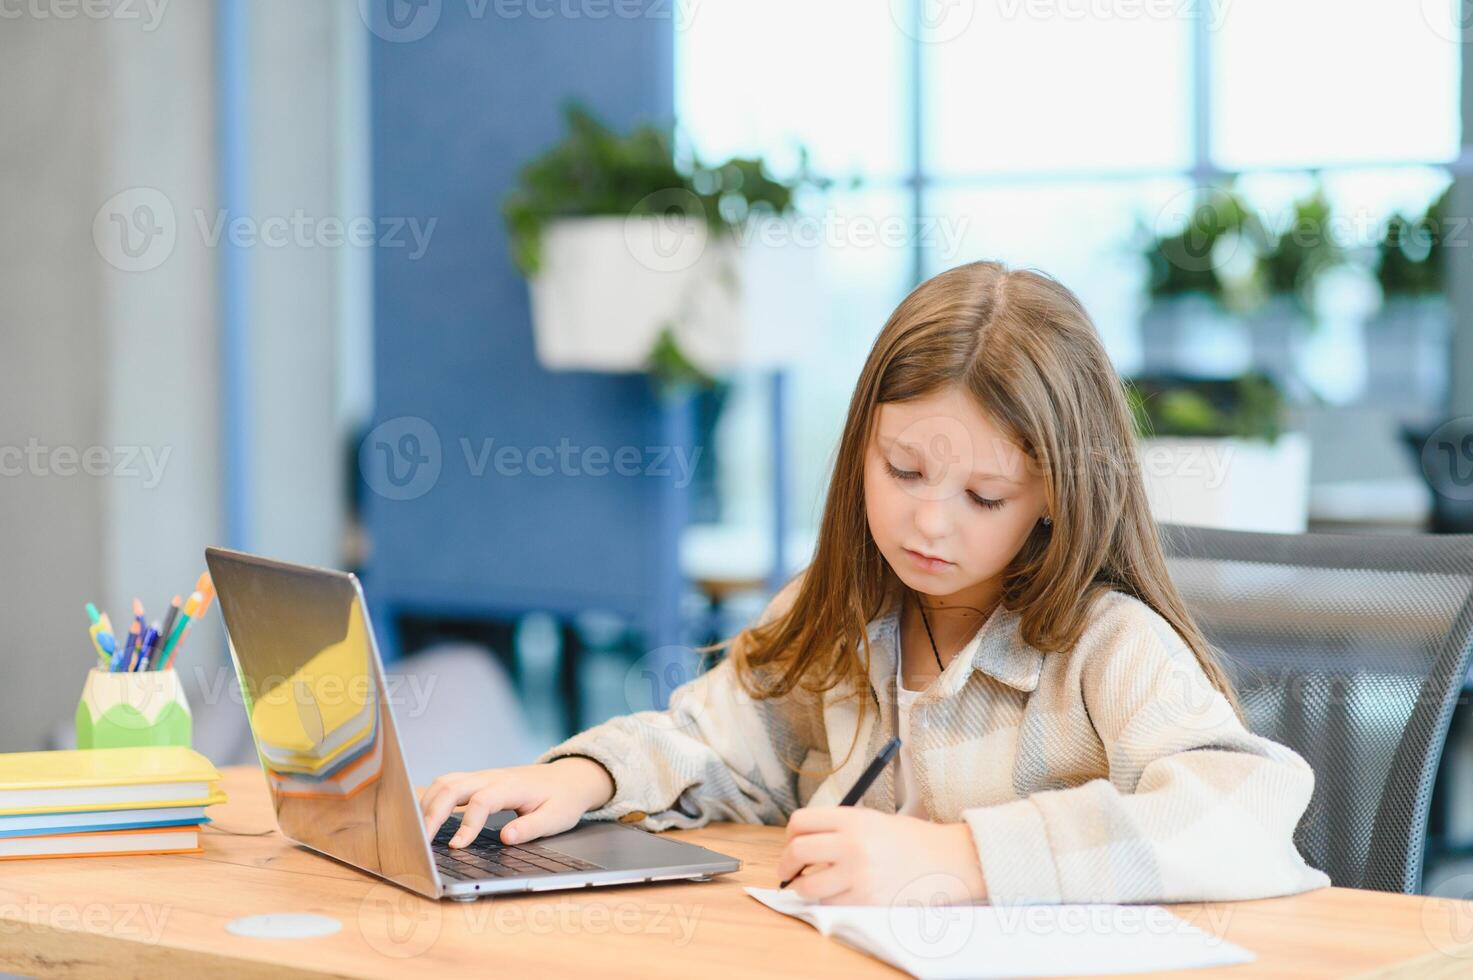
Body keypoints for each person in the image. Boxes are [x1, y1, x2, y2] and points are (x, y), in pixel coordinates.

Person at [420, 260, 1332, 906]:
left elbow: (1243, 813)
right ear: (862, 446)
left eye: (983, 494)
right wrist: (584, 775)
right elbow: (716, 747)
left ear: (1054, 494)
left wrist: (961, 858)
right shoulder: (835, 612)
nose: (929, 523)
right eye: (902, 471)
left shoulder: (1109, 646)